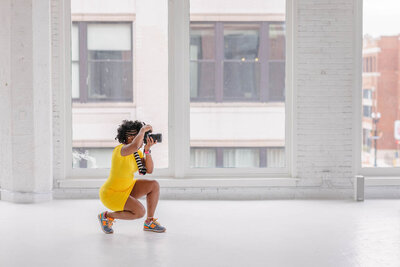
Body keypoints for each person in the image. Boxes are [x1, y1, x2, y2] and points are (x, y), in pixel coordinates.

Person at [98, 120, 166, 234]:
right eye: (130, 135)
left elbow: (149, 170)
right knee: (139, 212)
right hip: (111, 193)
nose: (134, 138)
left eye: (136, 135)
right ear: (124, 137)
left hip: (127, 189)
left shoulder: (137, 154)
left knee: (154, 185)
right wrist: (143, 130)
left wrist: (147, 150)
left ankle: (149, 222)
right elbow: (134, 145)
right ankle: (107, 216)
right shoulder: (120, 150)